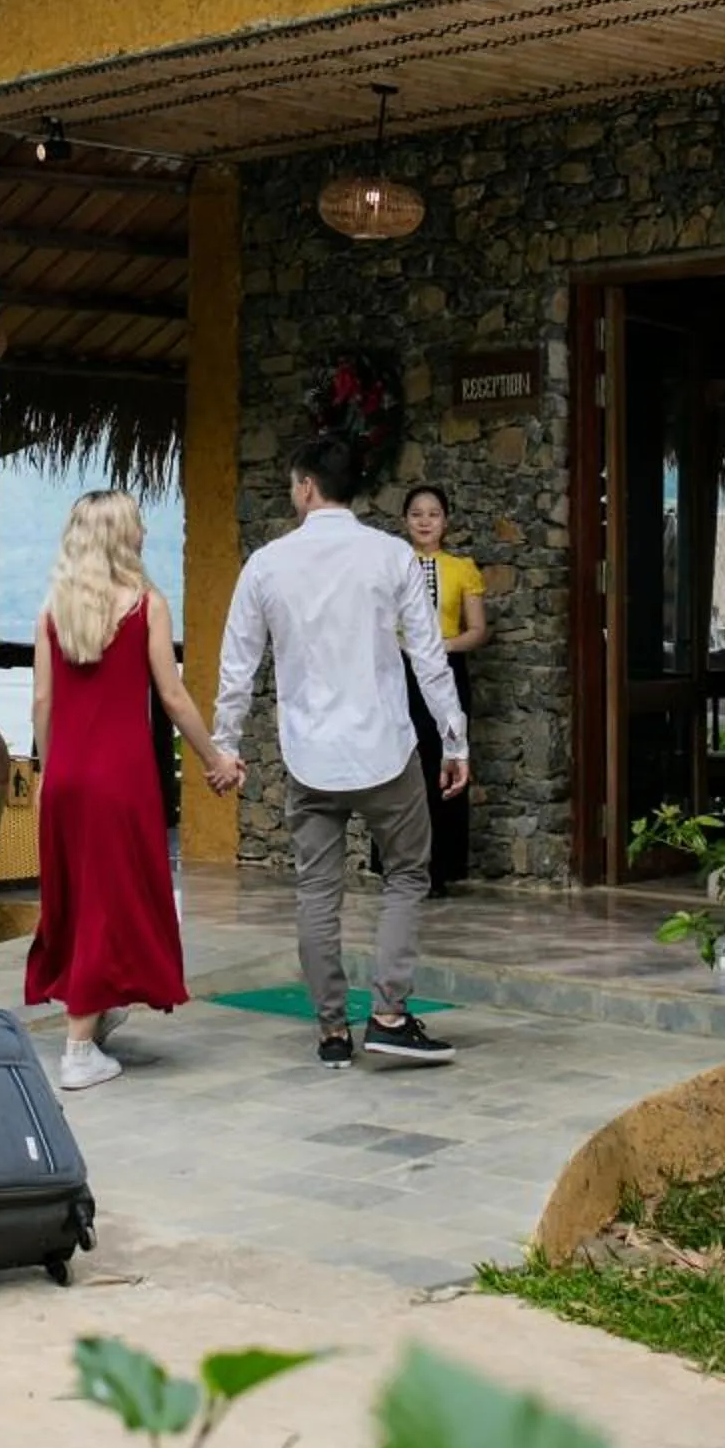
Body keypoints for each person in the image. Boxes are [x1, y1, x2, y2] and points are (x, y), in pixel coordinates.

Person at [211, 433, 468, 1070]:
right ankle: (388, 1014)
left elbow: (237, 666)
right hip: (386, 749)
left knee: (316, 893)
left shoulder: (267, 564)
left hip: (310, 758)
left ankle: (332, 1032)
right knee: (408, 875)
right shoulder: (392, 557)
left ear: (305, 486)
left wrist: (225, 745)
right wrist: (454, 738)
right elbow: (429, 658)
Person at [26, 490, 231, 1093]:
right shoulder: (146, 606)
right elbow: (171, 695)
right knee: (110, 901)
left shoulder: (52, 610)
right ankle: (79, 1049)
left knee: (81, 900)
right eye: (137, 525)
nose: (144, 533)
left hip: (65, 776)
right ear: (120, 536)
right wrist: (214, 758)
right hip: (120, 778)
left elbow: (42, 701)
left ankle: (99, 1006)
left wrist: (46, 772)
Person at [400, 483, 489, 897]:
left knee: (445, 761)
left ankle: (441, 868)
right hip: (399, 673)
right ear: (406, 520)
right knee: (401, 762)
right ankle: (399, 866)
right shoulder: (393, 565)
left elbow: (477, 631)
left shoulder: (461, 568)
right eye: (417, 513)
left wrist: (441, 647)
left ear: (445, 521)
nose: (424, 521)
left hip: (447, 670)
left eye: (433, 513)